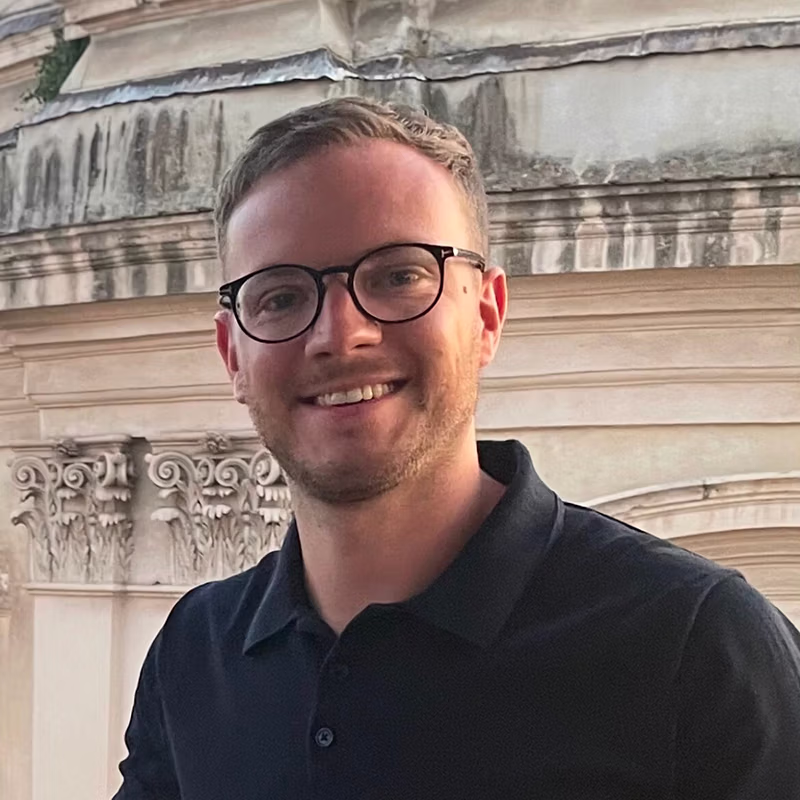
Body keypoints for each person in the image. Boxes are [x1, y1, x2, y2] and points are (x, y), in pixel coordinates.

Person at [115, 96, 800, 800]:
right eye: (280, 297)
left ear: (487, 315)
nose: (339, 334)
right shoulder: (195, 653)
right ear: (233, 355)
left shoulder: (695, 645)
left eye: (398, 275)